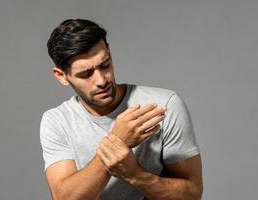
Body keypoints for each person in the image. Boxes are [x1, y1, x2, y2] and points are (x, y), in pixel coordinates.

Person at [40, 19, 203, 200]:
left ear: (109, 52)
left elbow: (192, 194)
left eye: (105, 64)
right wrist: (118, 140)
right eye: (86, 74)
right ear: (61, 76)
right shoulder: (57, 121)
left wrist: (135, 174)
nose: (101, 80)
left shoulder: (163, 105)